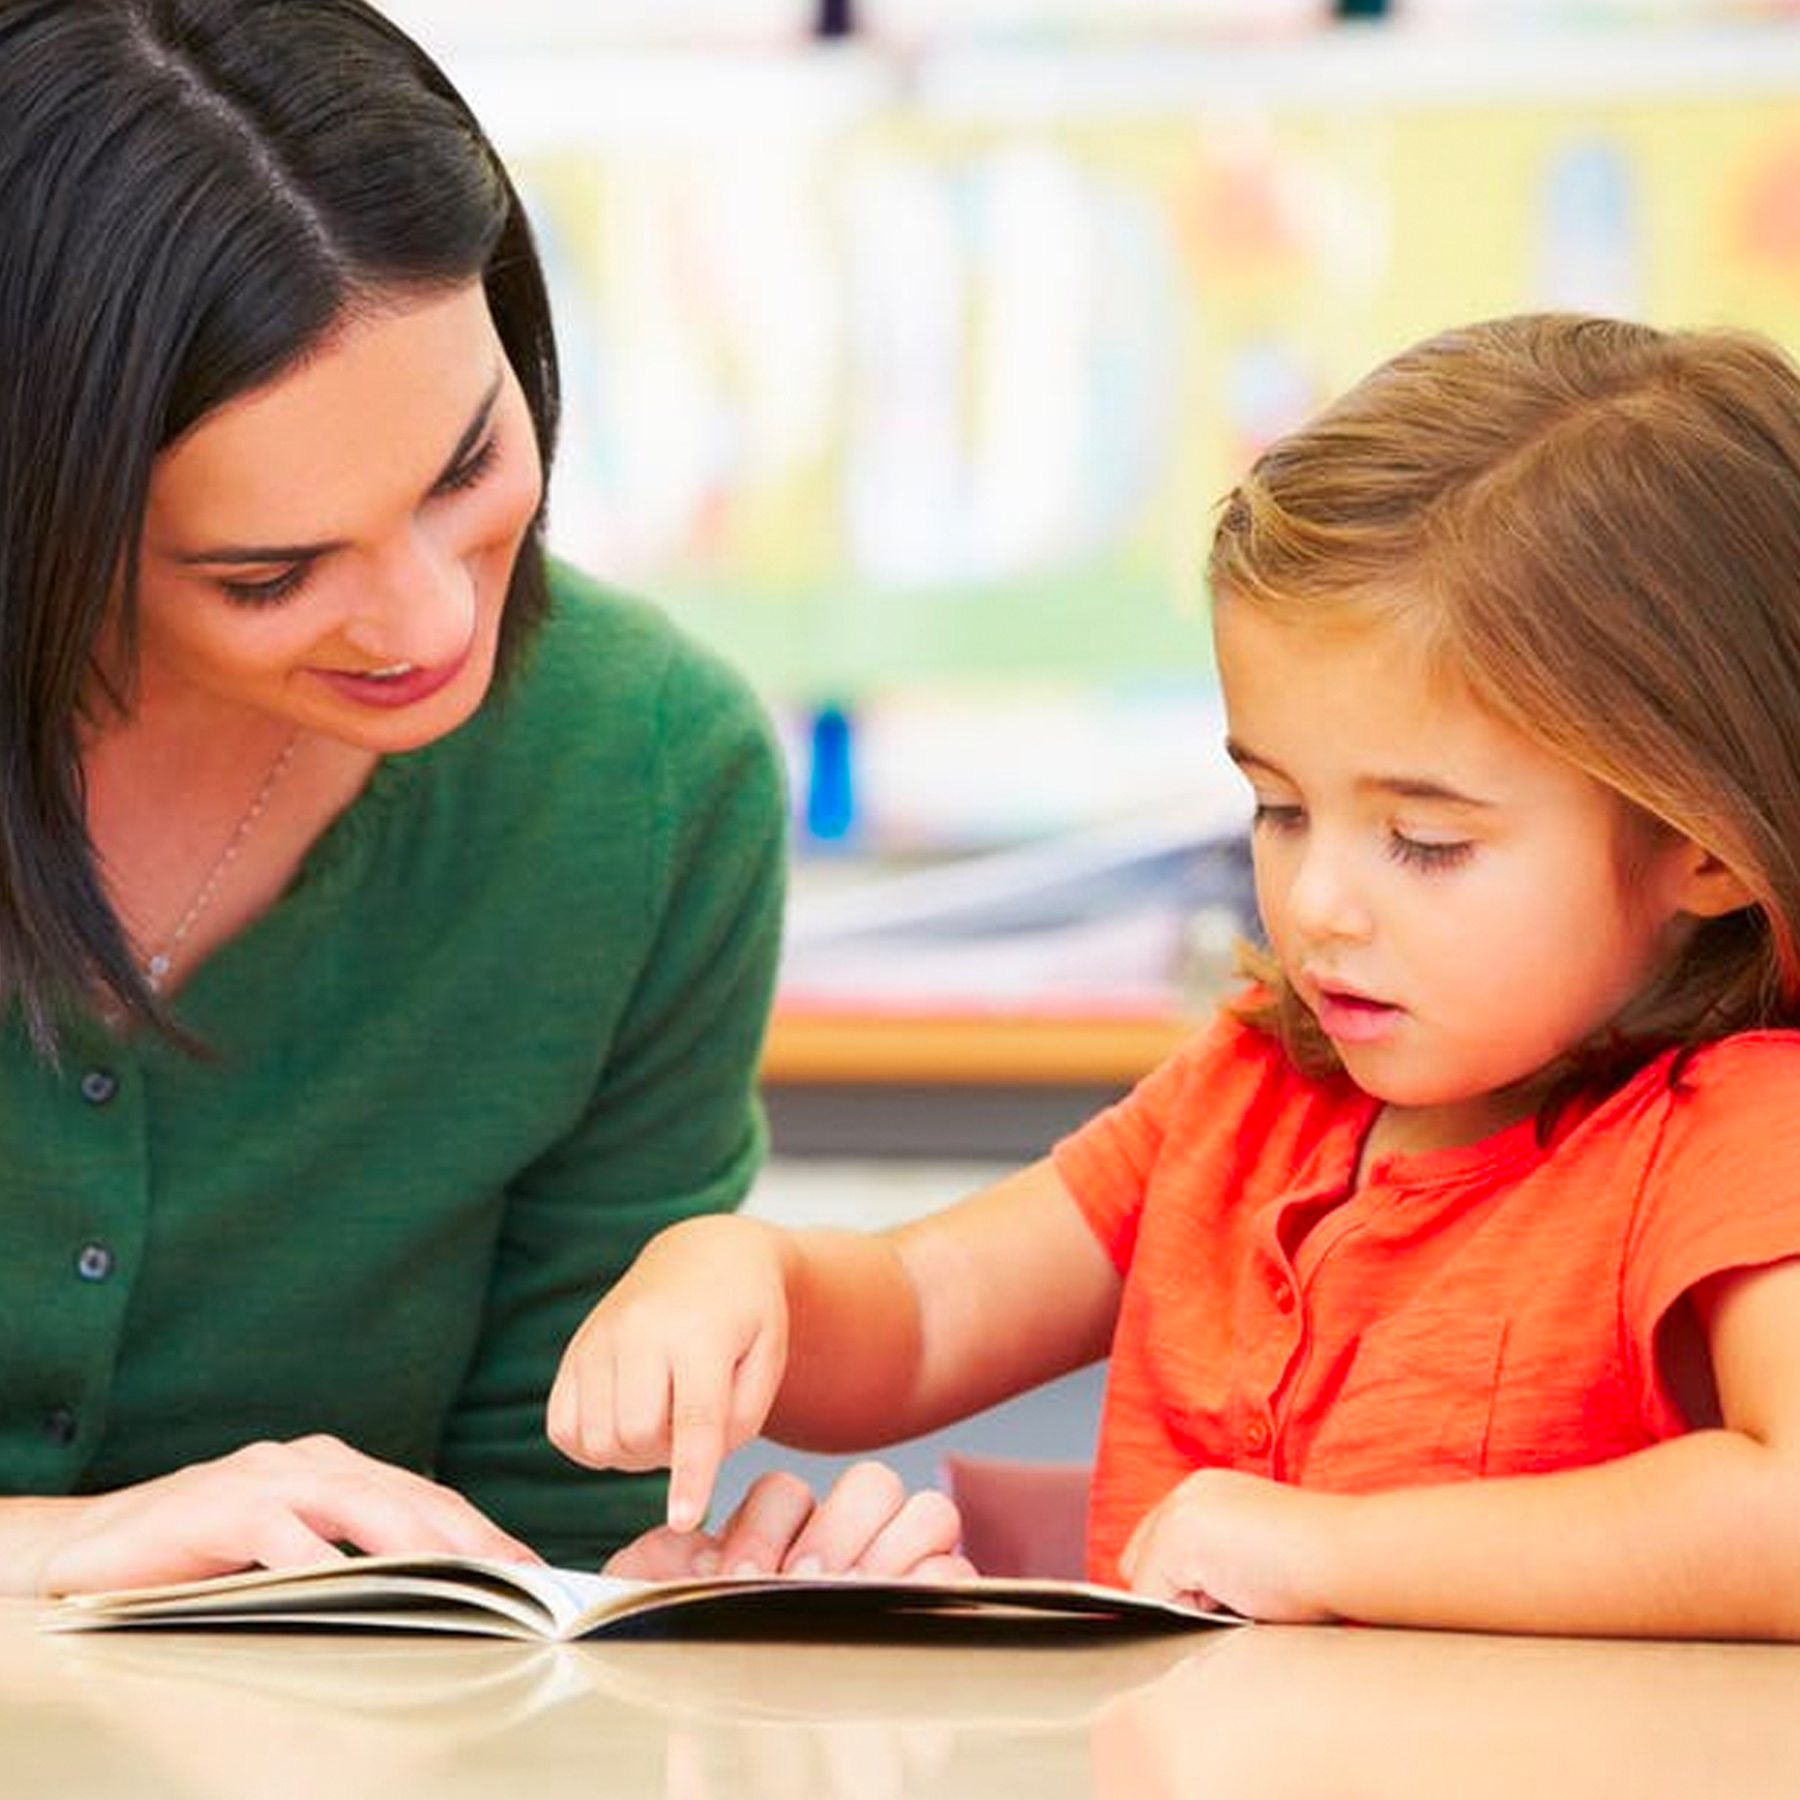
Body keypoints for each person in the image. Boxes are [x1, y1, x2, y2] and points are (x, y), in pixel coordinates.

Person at [552, 311, 1800, 1638]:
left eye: (1426, 843)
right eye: (1277, 809)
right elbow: (924, 1315)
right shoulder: (1250, 1089)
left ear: (1701, 849)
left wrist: (1326, 1554)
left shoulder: (1737, 1135)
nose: (1318, 903)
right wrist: (742, 1279)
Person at [0, 0, 951, 1600]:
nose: (436, 625)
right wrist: (64, 1552)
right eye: (271, 572)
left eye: (466, 468)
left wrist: (682, 1595)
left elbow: (538, 1537)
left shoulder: (643, 772)